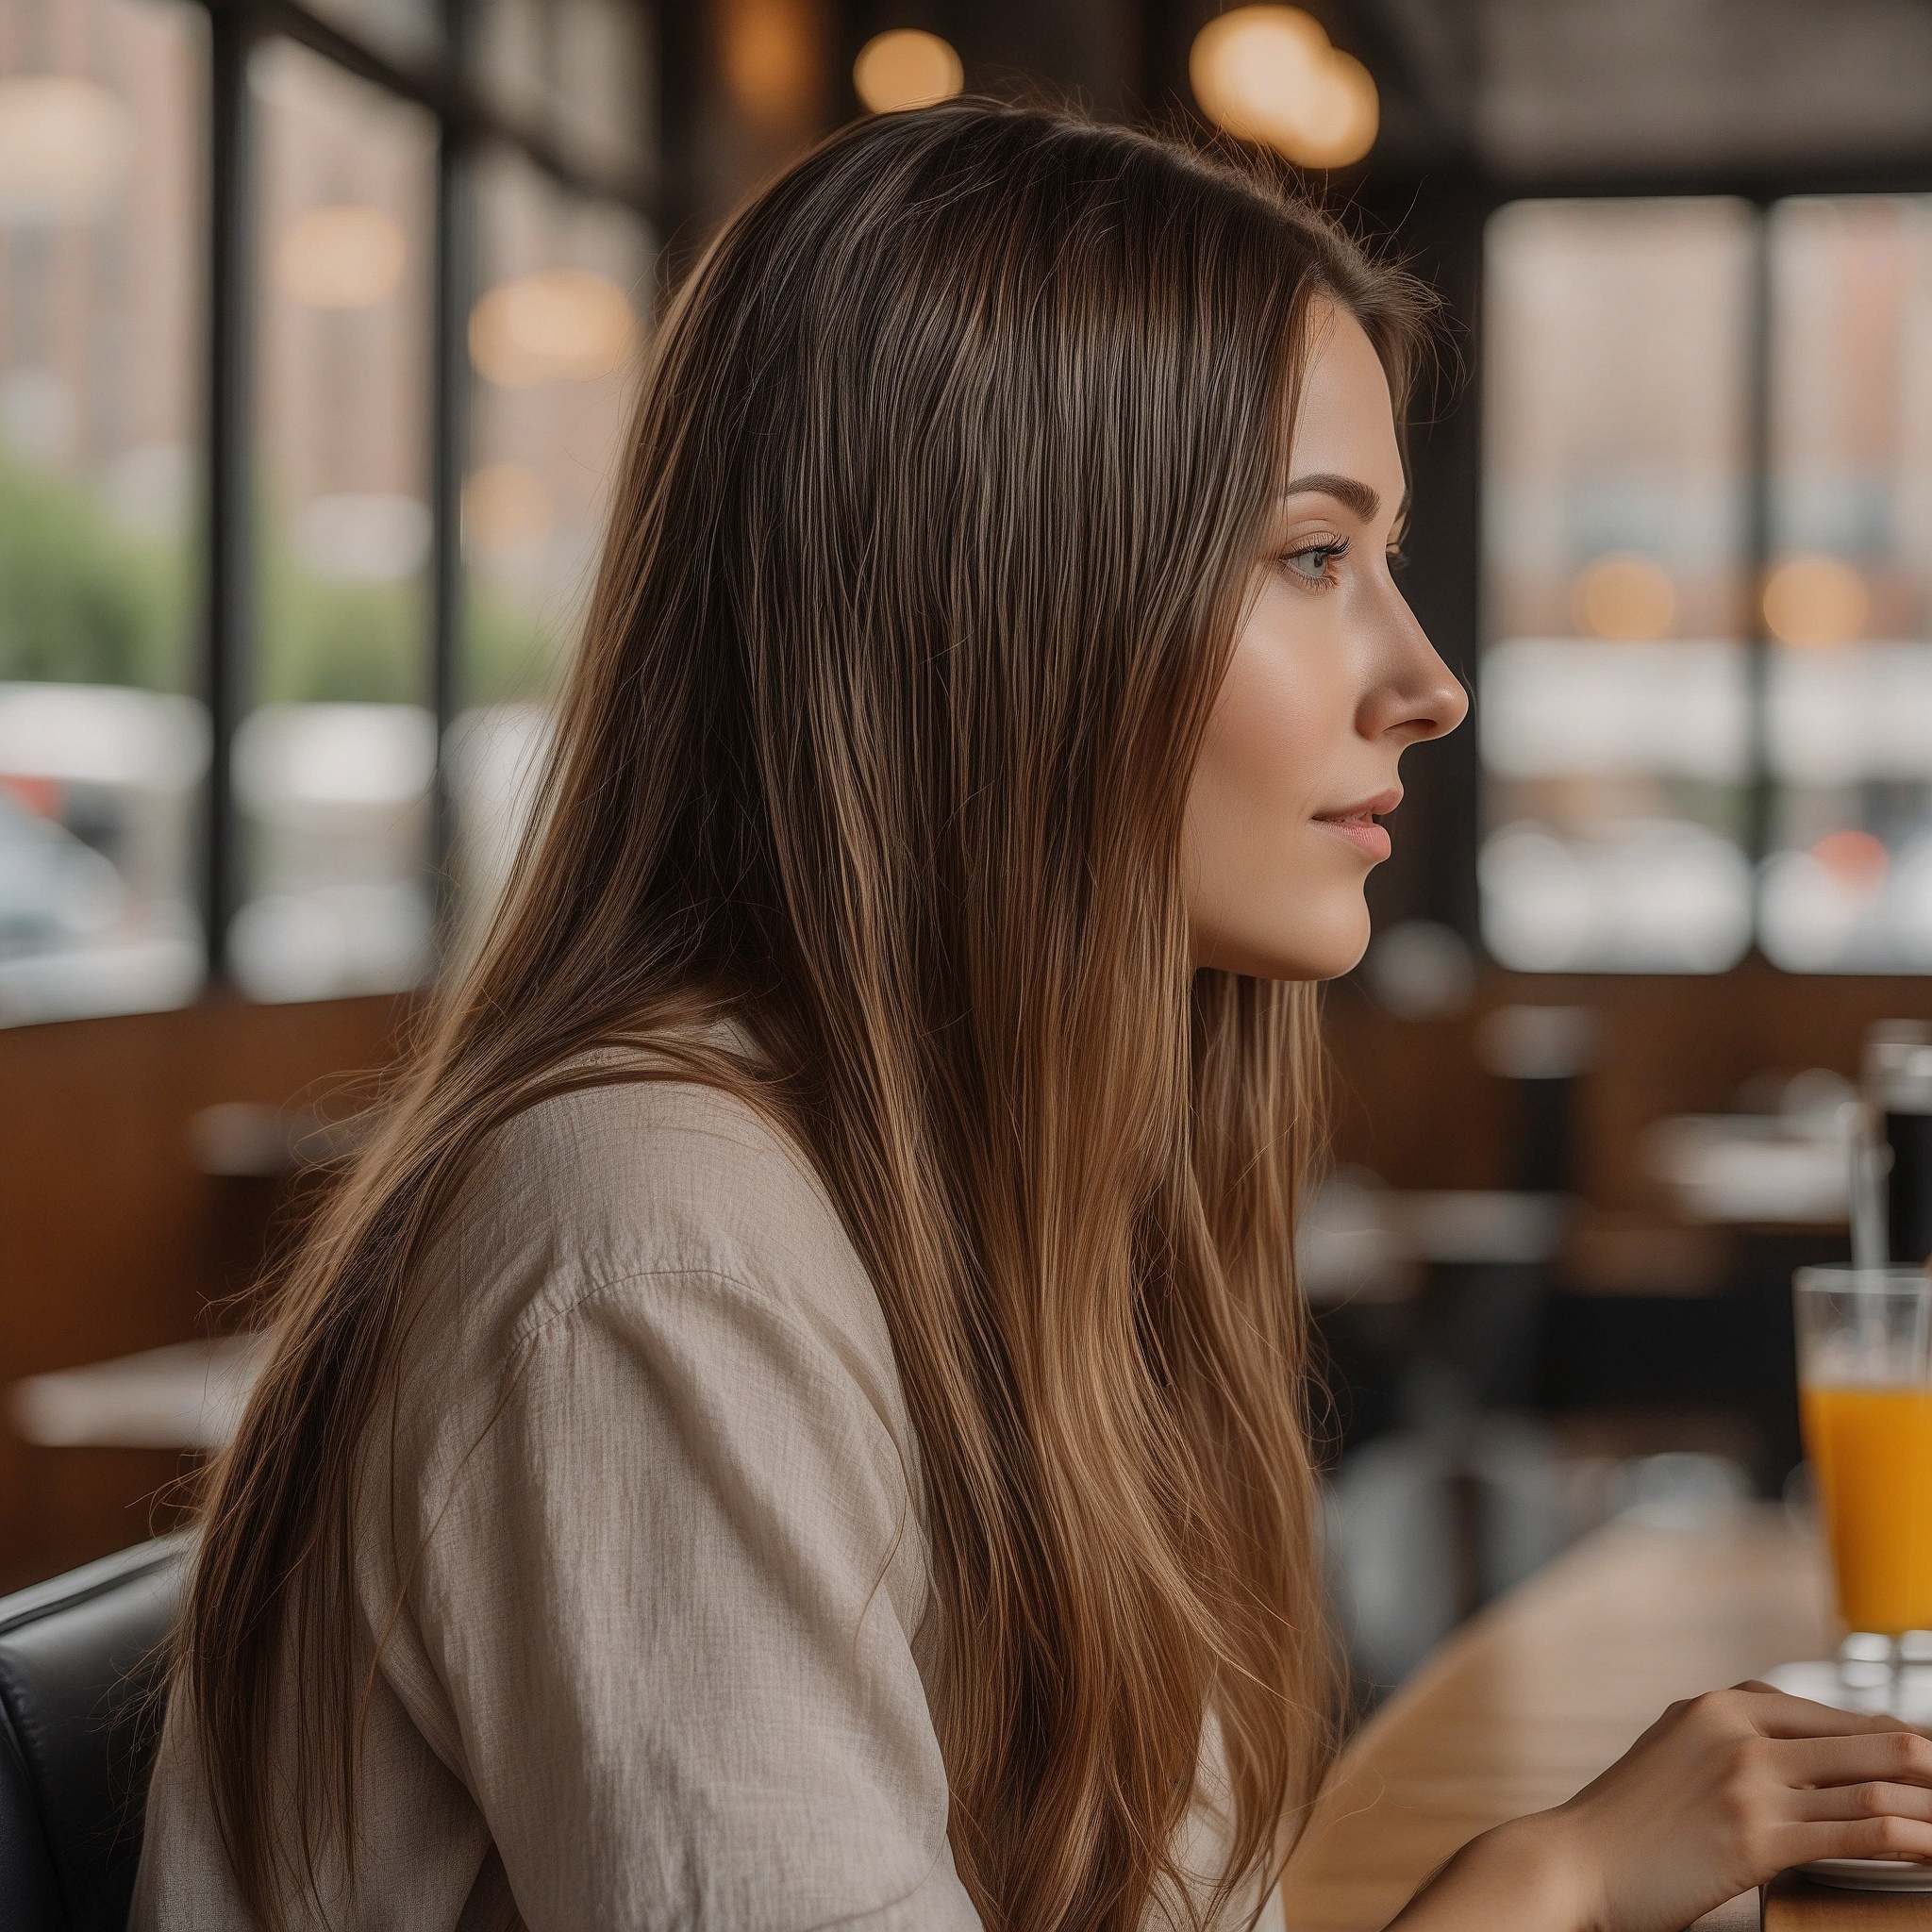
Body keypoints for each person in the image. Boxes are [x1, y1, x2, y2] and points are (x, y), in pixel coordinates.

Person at [134, 100, 1932, 1932]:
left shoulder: (1000, 1205)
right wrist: (1538, 1882)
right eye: (1313, 557)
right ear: (1001, 614)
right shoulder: (650, 1243)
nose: (1427, 680)